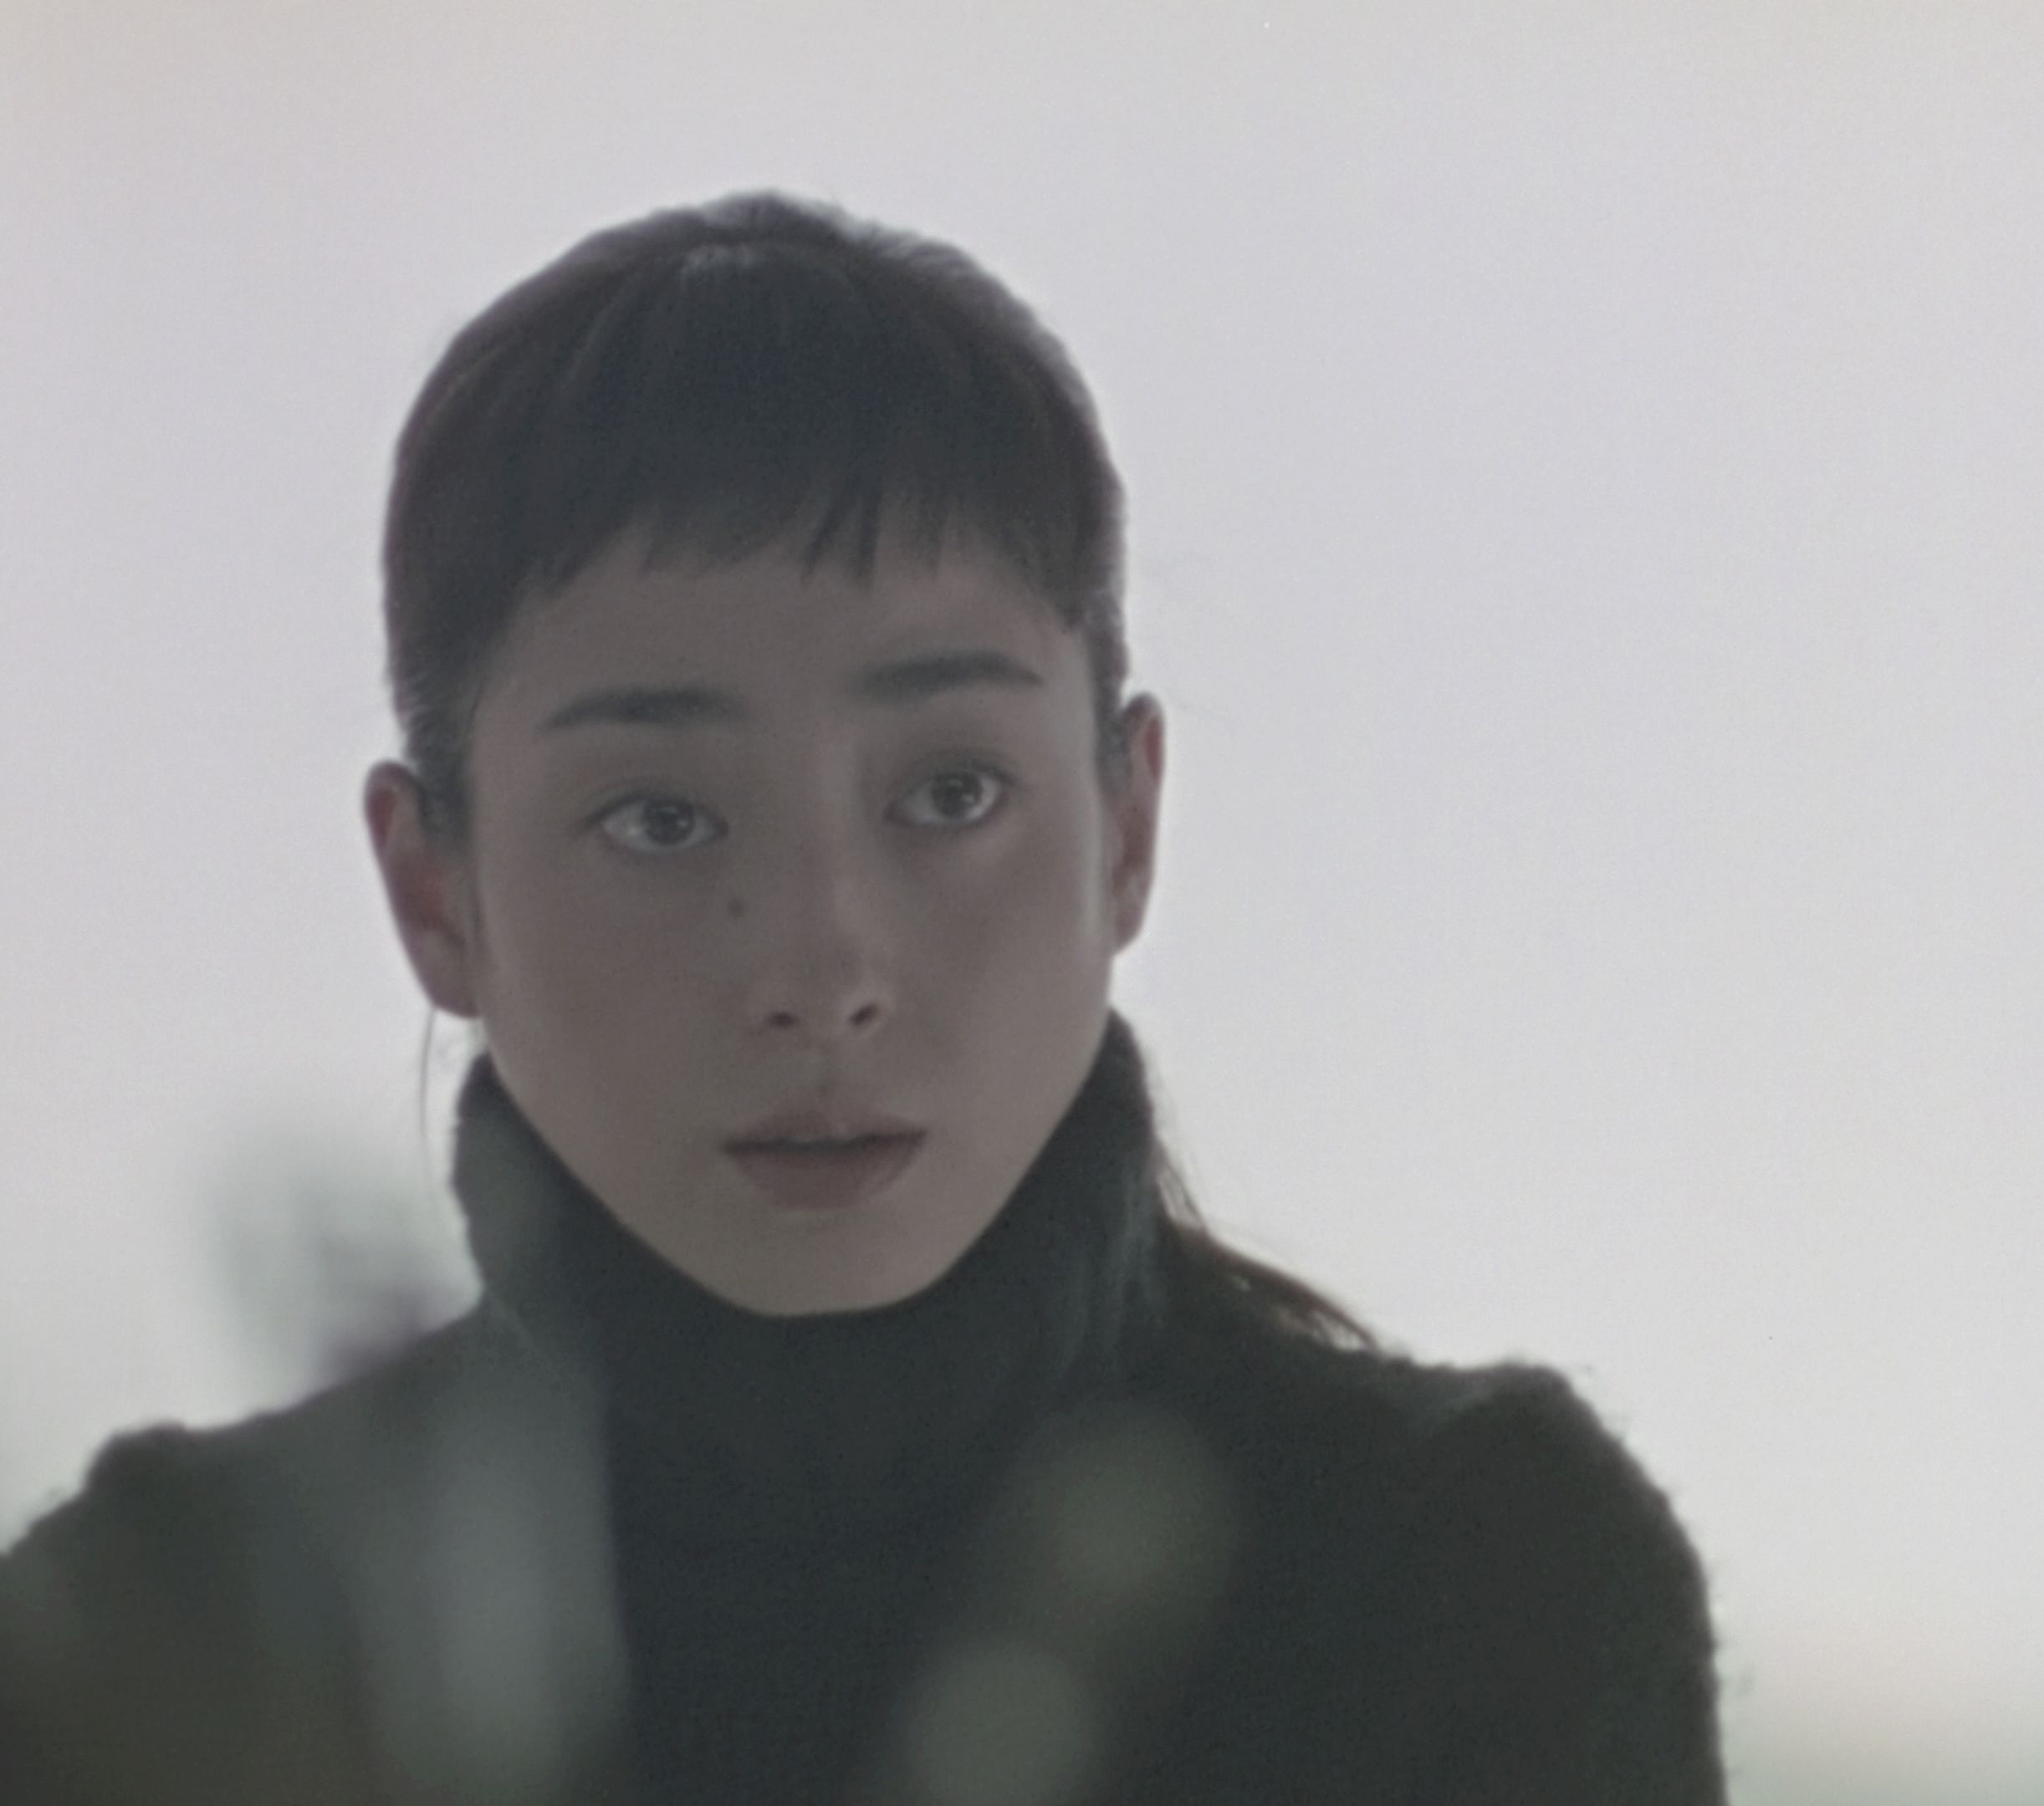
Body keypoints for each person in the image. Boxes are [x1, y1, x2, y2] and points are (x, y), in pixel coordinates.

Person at [0, 195, 1725, 1805]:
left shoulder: (1470, 1580)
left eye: (952, 794)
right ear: (434, 894)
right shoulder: (176, 1635)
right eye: (660, 820)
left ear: (1127, 830)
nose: (822, 973)